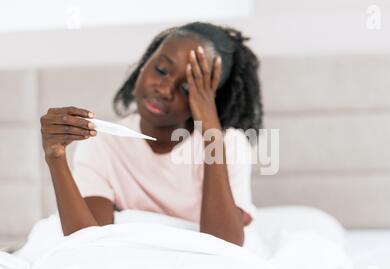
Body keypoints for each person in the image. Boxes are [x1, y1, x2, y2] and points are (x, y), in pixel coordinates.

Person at [39, 22, 263, 246]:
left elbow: (226, 246)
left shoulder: (227, 143)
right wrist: (56, 160)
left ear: (210, 99)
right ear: (144, 63)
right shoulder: (102, 142)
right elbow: (89, 243)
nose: (165, 90)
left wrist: (210, 131)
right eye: (161, 70)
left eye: (188, 88)